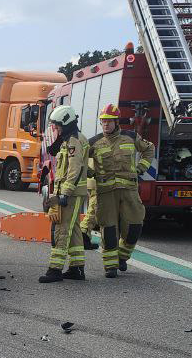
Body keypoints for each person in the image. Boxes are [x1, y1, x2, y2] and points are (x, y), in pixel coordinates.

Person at [89, 104, 153, 278]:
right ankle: (110, 266)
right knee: (108, 230)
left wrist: (141, 168)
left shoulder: (131, 137)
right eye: (103, 121)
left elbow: (149, 149)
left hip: (129, 191)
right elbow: (81, 161)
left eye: (109, 121)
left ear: (116, 122)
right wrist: (89, 173)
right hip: (106, 193)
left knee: (135, 226)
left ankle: (122, 256)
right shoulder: (93, 142)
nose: (106, 125)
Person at [39, 105, 89, 283]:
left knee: (61, 229)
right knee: (74, 229)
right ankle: (77, 269)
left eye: (58, 125)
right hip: (70, 192)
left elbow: (75, 170)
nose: (56, 128)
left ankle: (55, 270)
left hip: (71, 193)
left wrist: (64, 194)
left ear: (66, 123)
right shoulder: (69, 140)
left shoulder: (74, 141)